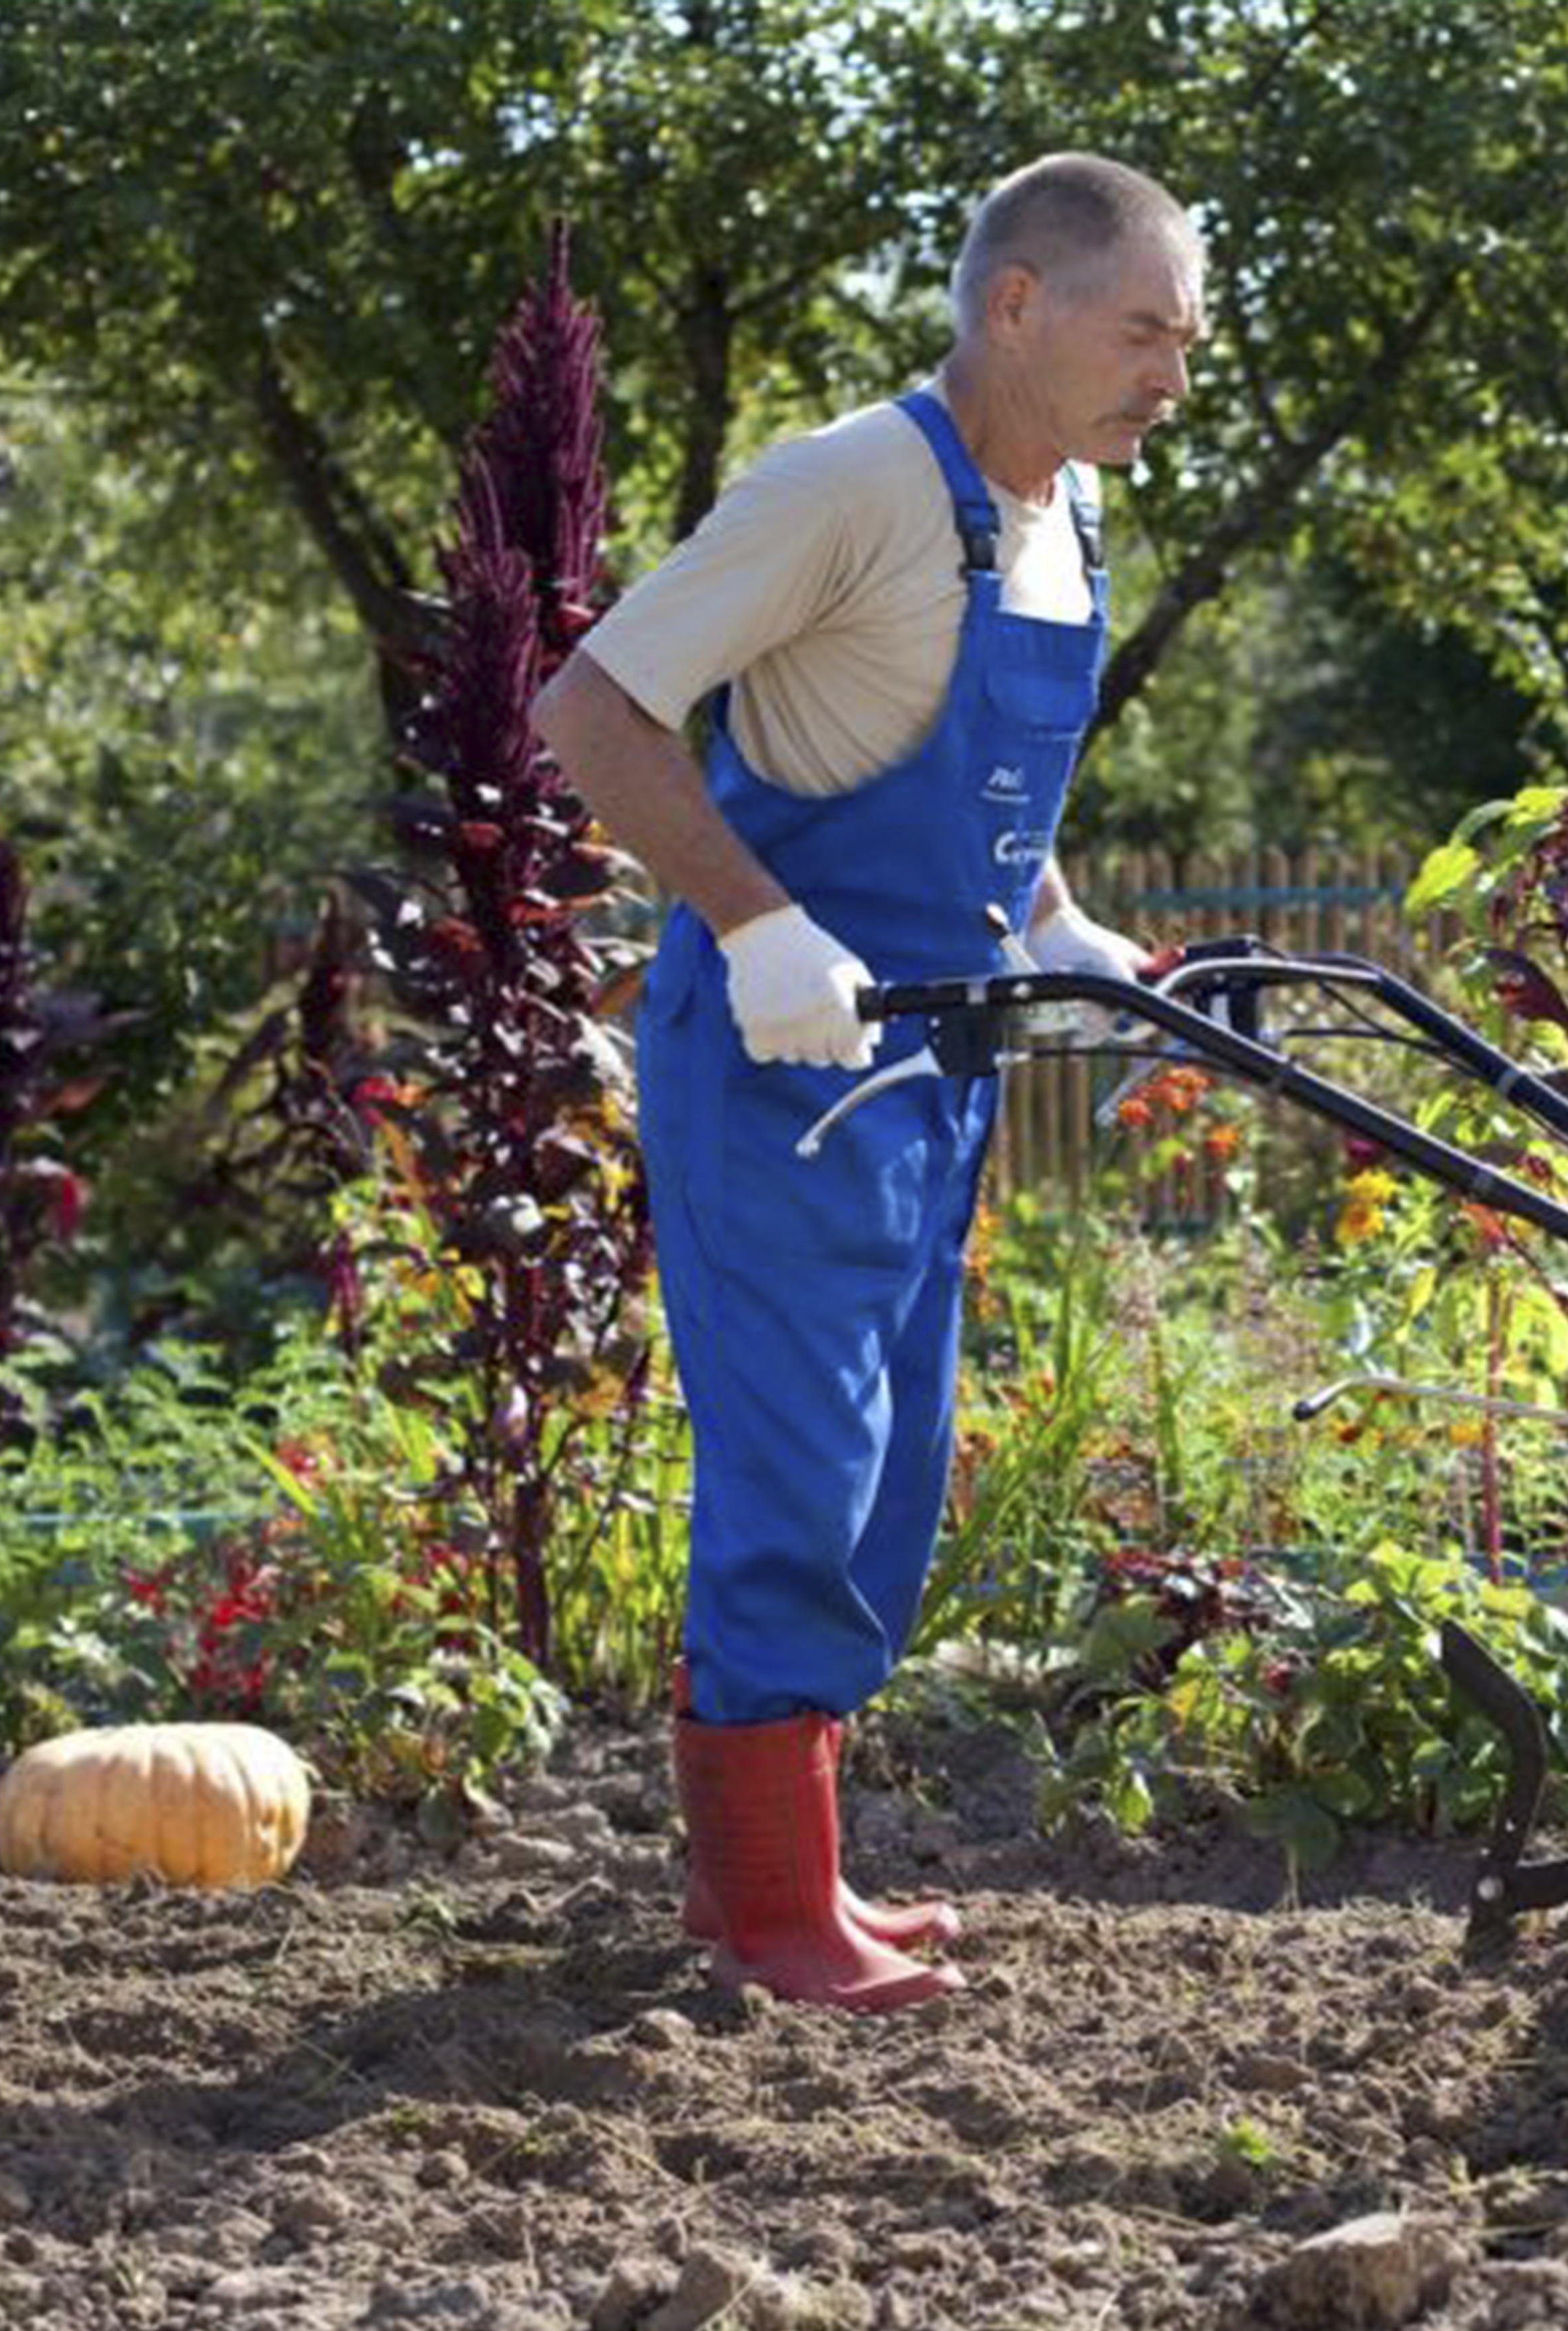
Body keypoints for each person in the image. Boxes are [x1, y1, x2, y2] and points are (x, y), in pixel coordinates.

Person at [533, 153, 1202, 2011]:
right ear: (1016, 306)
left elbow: (996, 791)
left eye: (1186, 338)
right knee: (799, 1466)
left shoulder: (1063, 516)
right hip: (776, 1066)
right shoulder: (846, 486)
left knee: (893, 1471)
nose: (1171, 373)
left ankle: (781, 1878)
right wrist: (751, 923)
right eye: (1142, 329)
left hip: (931, 1068)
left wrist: (1058, 928)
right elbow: (589, 709)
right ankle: (766, 1915)